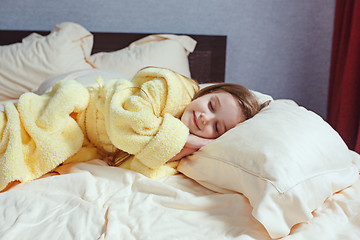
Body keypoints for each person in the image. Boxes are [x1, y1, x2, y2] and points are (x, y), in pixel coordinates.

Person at [0, 67, 268, 191]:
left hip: (85, 141)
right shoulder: (168, 89)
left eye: (217, 126)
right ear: (207, 92)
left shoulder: (178, 142)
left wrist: (181, 149)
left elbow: (137, 167)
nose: (205, 119)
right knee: (15, 130)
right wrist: (184, 141)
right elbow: (123, 123)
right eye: (212, 105)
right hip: (77, 109)